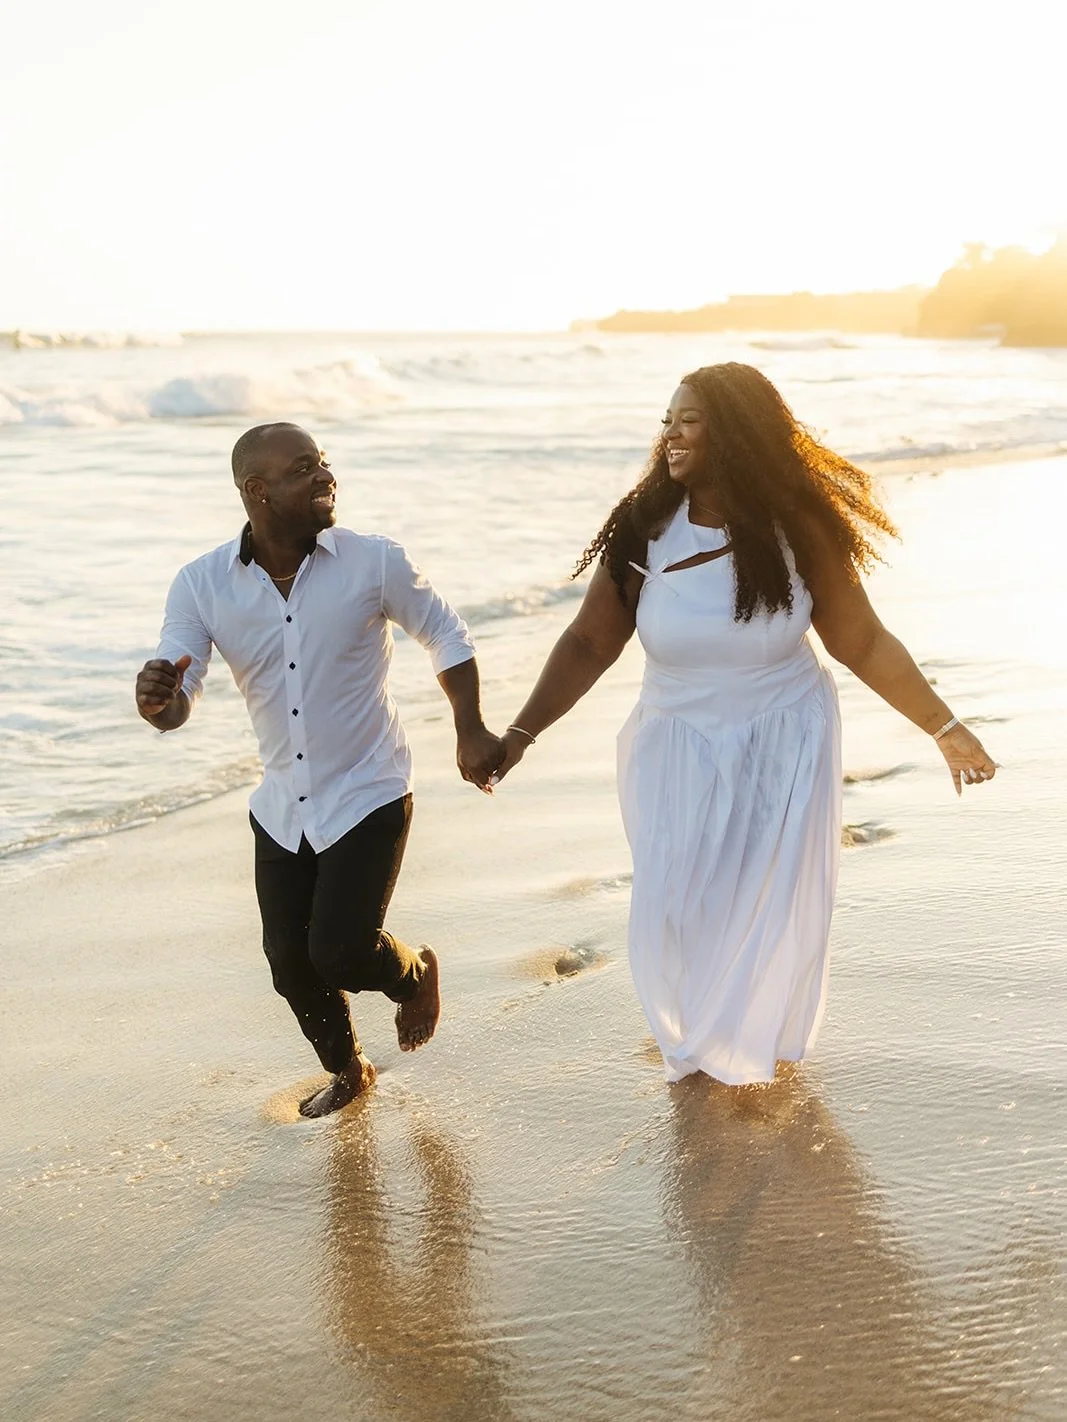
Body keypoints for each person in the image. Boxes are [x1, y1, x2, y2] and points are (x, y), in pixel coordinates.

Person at [492, 363, 997, 1086]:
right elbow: (588, 642)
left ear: (732, 432)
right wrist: (519, 735)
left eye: (687, 419)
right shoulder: (643, 528)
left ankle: (737, 1048)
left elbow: (860, 641)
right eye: (665, 419)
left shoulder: (797, 526)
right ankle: (700, 1034)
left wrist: (944, 726)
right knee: (677, 902)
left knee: (758, 897)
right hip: (674, 739)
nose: (669, 433)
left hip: (781, 733)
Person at [134, 422, 502, 1116]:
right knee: (288, 965)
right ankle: (350, 1069)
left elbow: (446, 633)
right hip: (281, 804)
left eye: (324, 463)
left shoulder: (373, 562)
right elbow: (179, 693)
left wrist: (470, 728)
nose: (325, 476)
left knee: (337, 951)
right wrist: (158, 702)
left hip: (369, 787)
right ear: (258, 490)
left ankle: (413, 973)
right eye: (304, 469)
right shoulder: (201, 584)